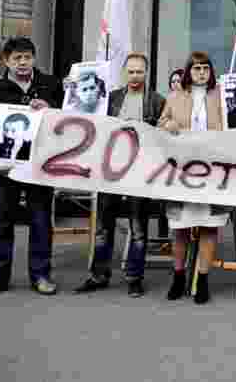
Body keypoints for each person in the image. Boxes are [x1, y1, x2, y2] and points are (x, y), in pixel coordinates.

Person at [0, 37, 64, 299]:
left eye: (27, 57)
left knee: (40, 220)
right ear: (6, 61)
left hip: (39, 165)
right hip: (4, 168)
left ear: (34, 58)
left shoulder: (51, 85)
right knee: (1, 222)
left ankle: (41, 275)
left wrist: (50, 110)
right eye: (17, 58)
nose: (23, 62)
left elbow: (67, 120)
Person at [74, 53, 166, 298]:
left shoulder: (157, 101)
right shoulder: (110, 97)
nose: (135, 76)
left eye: (139, 71)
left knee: (138, 227)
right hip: (109, 168)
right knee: (103, 226)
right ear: (125, 72)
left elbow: (162, 136)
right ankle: (98, 276)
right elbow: (87, 115)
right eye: (131, 71)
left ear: (146, 73)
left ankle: (134, 278)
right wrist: (70, 89)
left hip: (140, 170)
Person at [157, 51, 228, 304]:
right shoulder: (175, 96)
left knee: (209, 225)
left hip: (214, 170)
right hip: (181, 172)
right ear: (188, 71)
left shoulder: (221, 95)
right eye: (196, 68)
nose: (201, 72)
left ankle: (203, 279)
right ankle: (178, 277)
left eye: (206, 68)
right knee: (180, 227)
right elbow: (160, 124)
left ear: (211, 72)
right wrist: (168, 125)